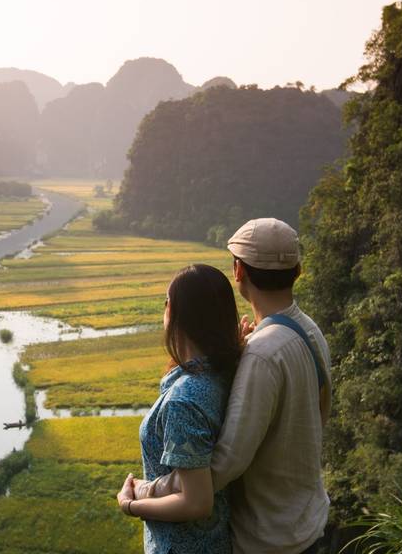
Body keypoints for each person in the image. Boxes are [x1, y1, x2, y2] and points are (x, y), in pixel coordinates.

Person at [135, 218, 332, 554]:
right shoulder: (308, 331)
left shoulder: (262, 354)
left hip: (268, 536)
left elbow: (225, 464)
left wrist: (144, 493)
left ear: (238, 271)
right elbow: (320, 411)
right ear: (297, 270)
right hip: (305, 520)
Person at [115, 263, 244, 554]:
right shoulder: (221, 372)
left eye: (166, 301)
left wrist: (131, 505)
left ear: (175, 312)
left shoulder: (185, 399)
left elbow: (196, 502)